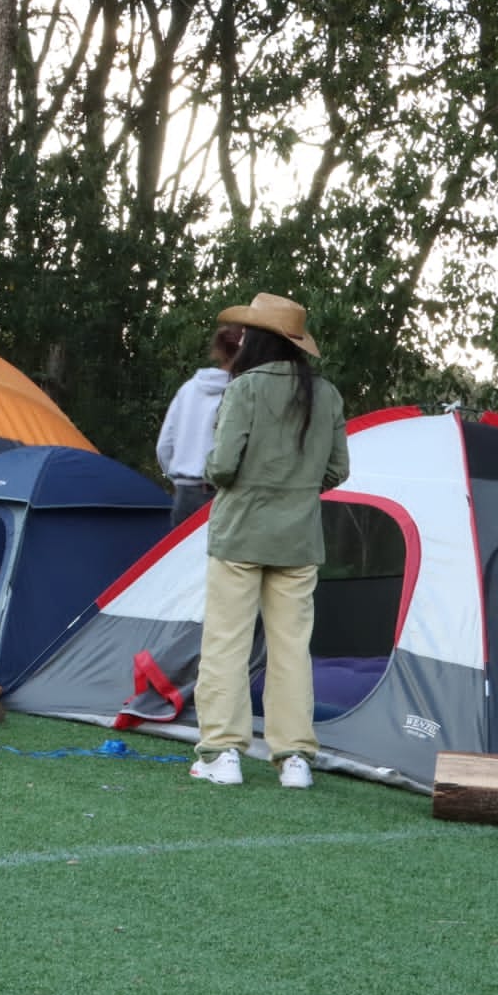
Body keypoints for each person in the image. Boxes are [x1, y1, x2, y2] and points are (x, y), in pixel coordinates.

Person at [189, 293, 349, 790]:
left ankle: (222, 752)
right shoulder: (328, 394)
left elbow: (221, 465)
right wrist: (297, 490)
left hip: (240, 532)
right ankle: (295, 758)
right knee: (291, 650)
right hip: (299, 538)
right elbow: (338, 470)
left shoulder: (245, 388)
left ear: (256, 339)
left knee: (226, 644)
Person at [156, 323, 243, 526]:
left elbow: (164, 447)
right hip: (221, 495)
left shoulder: (188, 389)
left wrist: (181, 478)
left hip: (184, 495)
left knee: (182, 558)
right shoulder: (240, 393)